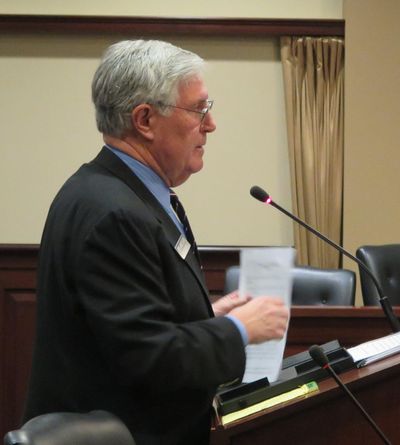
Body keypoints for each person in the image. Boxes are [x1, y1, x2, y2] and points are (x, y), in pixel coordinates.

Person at [23, 40, 289, 445]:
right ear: (145, 119)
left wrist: (207, 318)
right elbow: (149, 358)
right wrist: (238, 329)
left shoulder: (116, 194)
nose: (211, 123)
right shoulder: (114, 212)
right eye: (199, 109)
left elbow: (128, 328)